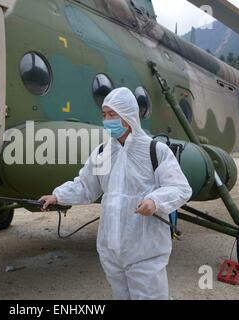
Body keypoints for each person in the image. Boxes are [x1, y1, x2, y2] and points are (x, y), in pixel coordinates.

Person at [39, 87, 192, 300]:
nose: (107, 120)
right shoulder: (103, 152)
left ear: (128, 117)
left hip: (145, 250)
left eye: (112, 115)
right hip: (111, 250)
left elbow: (180, 188)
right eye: (104, 115)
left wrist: (154, 201)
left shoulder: (154, 151)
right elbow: (86, 186)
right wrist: (58, 196)